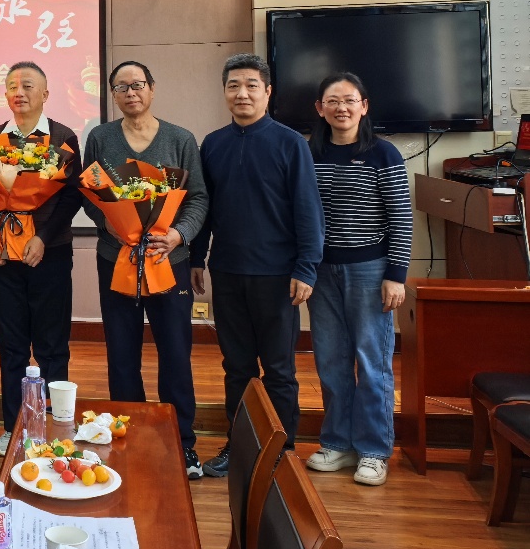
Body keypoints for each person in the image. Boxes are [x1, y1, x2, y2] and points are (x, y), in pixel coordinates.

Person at [190, 53, 324, 478]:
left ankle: (281, 452)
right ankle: (240, 447)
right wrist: (197, 257)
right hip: (228, 271)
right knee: (237, 368)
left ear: (268, 92)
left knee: (280, 370)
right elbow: (205, 209)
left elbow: (308, 211)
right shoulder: (213, 144)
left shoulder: (290, 143)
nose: (242, 93)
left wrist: (306, 268)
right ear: (224, 92)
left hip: (278, 276)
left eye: (251, 85)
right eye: (233, 85)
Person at [82, 61, 209, 479]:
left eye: (138, 85)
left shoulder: (180, 139)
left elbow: (198, 198)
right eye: (121, 87)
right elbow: (89, 194)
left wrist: (178, 235)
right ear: (113, 95)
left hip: (168, 262)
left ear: (152, 89)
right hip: (115, 259)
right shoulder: (100, 138)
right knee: (121, 354)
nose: (130, 92)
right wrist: (110, 226)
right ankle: (127, 437)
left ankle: (182, 442)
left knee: (175, 354)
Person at [305, 72, 410, 487]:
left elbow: (401, 217)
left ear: (364, 106)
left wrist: (396, 275)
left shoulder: (383, 154)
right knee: (330, 362)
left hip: (370, 270)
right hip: (321, 271)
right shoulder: (308, 153)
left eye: (350, 100)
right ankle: (338, 443)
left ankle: (374, 450)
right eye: (332, 101)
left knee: (372, 363)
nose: (341, 108)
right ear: (320, 108)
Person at [0, 61, 83, 457]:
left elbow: (71, 195)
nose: (18, 92)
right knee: (12, 345)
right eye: (12, 86)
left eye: (27, 85)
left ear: (45, 94)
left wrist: (43, 237)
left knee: (53, 345)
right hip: (4, 257)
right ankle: (14, 427)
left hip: (48, 254)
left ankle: (56, 428)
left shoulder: (63, 137)